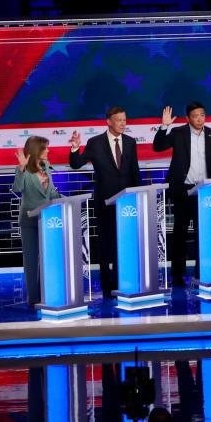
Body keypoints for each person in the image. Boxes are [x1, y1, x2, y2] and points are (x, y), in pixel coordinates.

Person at [69, 106, 142, 298]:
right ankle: (106, 285)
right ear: (108, 121)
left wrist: (138, 197)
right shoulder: (95, 143)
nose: (123, 124)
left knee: (123, 242)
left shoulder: (130, 142)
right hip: (103, 202)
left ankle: (120, 281)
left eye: (125, 120)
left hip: (126, 203)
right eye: (119, 120)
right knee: (105, 243)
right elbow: (76, 164)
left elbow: (134, 171)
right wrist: (75, 148)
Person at [152, 102, 211, 287]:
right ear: (188, 118)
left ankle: (203, 271)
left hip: (205, 190)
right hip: (182, 189)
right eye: (196, 115)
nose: (200, 118)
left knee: (204, 233)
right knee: (180, 232)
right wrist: (164, 126)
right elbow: (157, 146)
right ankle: (177, 275)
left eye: (203, 114)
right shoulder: (178, 133)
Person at [13, 136, 62, 307]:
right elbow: (17, 188)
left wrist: (65, 200)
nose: (48, 151)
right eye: (45, 148)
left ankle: (44, 295)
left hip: (47, 219)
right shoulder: (24, 169)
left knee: (46, 259)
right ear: (37, 150)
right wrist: (21, 167)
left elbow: (52, 193)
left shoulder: (46, 167)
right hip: (29, 220)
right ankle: (33, 298)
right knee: (32, 261)